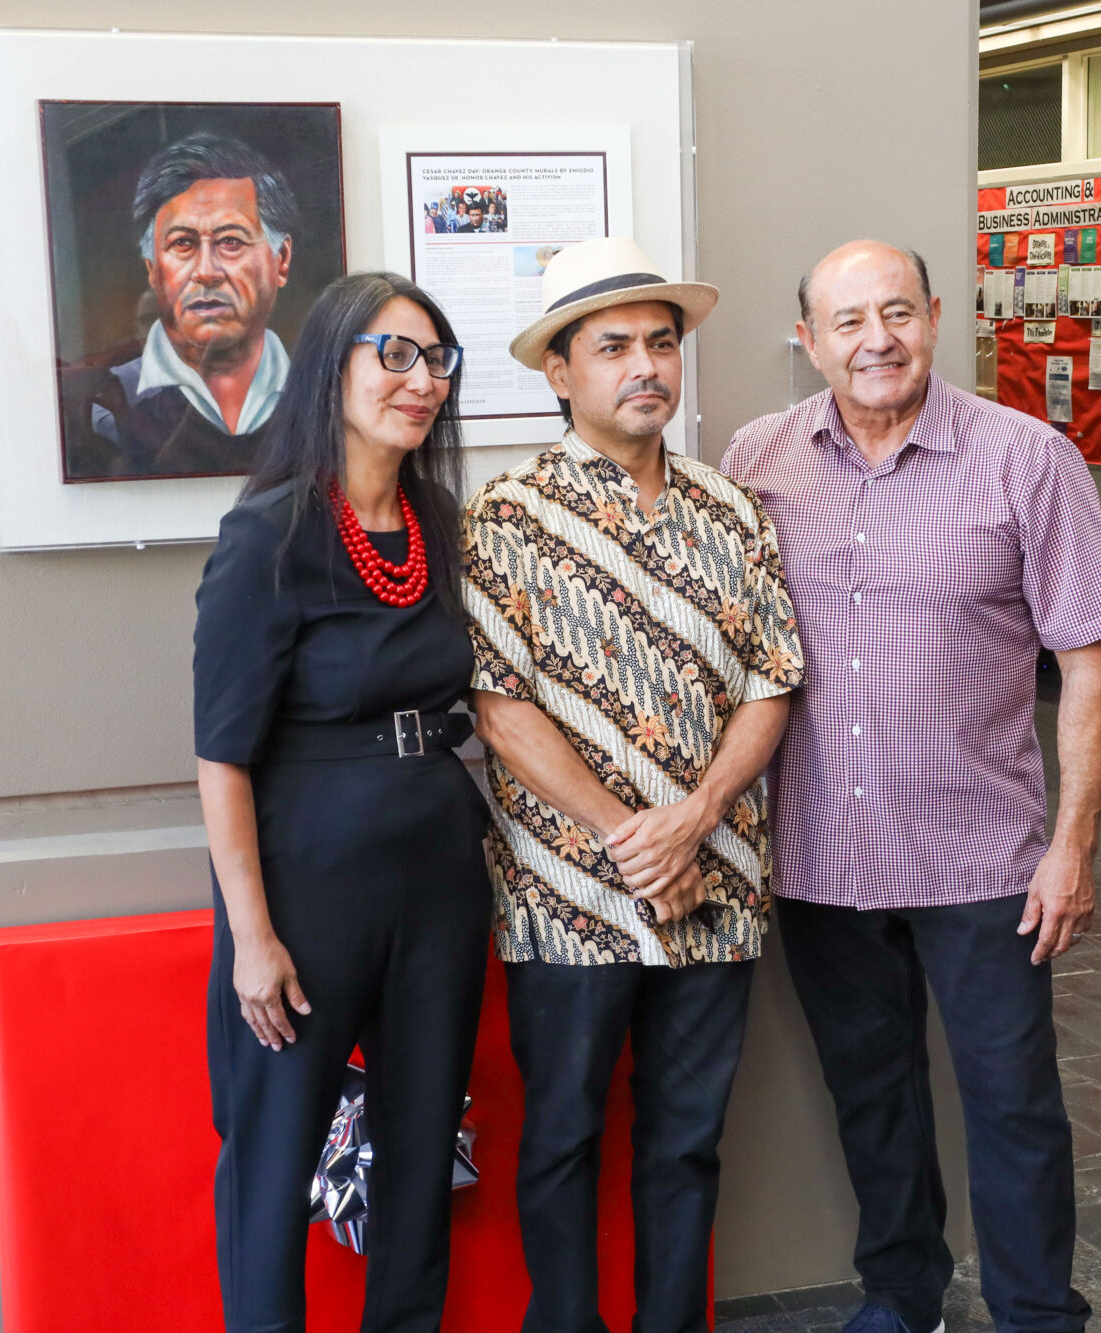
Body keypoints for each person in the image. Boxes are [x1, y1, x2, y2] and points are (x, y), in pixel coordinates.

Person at [723, 240, 1101, 1333]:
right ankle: (903, 1297)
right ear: (807, 341)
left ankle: (1038, 1313)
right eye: (846, 321)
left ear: (935, 317)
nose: (875, 341)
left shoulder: (1024, 459)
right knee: (871, 1095)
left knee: (1012, 1106)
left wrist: (1072, 843)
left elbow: (1087, 659)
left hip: (979, 857)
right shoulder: (753, 460)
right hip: (816, 854)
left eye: (894, 312)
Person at [463, 236, 804, 1333]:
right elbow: (499, 705)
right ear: (558, 371)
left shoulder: (733, 510)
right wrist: (629, 838)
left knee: (685, 1140)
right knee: (561, 1137)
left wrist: (693, 821)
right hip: (566, 895)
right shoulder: (503, 518)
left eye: (660, 342)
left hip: (718, 882)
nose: (643, 365)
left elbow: (770, 683)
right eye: (611, 346)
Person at [194, 270, 488, 1333]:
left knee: (418, 1148)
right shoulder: (267, 535)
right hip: (308, 880)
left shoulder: (437, 520)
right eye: (393, 353)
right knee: (273, 1157)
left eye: (436, 359)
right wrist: (251, 937)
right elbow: (221, 755)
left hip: (439, 870)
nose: (419, 381)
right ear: (332, 362)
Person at [62, 131, 299, 480]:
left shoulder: (324, 395)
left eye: (231, 241)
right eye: (183, 243)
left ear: (281, 260)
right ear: (153, 270)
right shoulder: (105, 403)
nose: (206, 272)